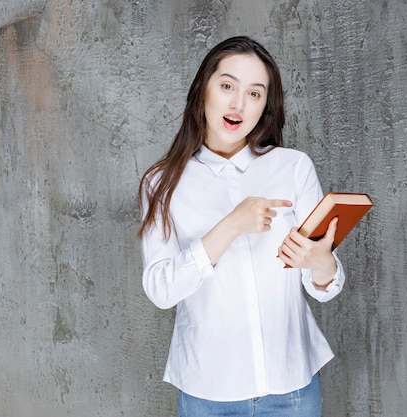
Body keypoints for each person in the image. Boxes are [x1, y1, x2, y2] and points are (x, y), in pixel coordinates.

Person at [138, 36, 345, 417]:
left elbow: (324, 287)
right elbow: (161, 289)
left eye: (254, 93)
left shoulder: (293, 167)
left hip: (292, 389)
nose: (238, 104)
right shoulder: (162, 182)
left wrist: (321, 264)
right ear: (204, 89)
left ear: (266, 105)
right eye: (228, 86)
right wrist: (231, 224)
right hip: (207, 392)